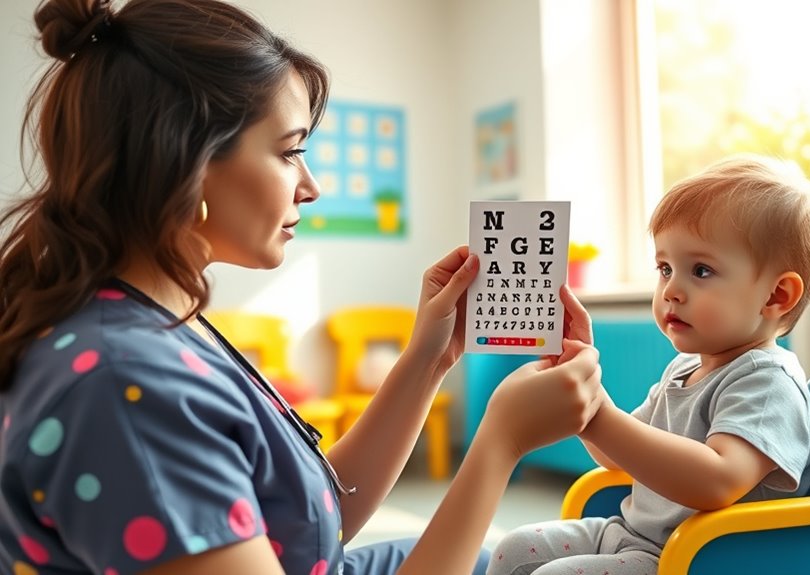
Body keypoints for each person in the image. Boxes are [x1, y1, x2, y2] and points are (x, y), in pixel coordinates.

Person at [0, 1, 604, 574]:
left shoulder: (156, 319)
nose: (310, 186)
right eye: (290, 152)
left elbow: (306, 521)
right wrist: (498, 443)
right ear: (186, 159)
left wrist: (430, 356)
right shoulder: (126, 388)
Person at [487, 154, 810, 575]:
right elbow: (615, 455)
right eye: (665, 268)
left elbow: (719, 479)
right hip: (632, 535)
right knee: (514, 550)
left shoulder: (767, 384)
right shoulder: (683, 369)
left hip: (694, 560)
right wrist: (585, 394)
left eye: (702, 270)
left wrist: (598, 416)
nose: (671, 289)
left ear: (776, 296)